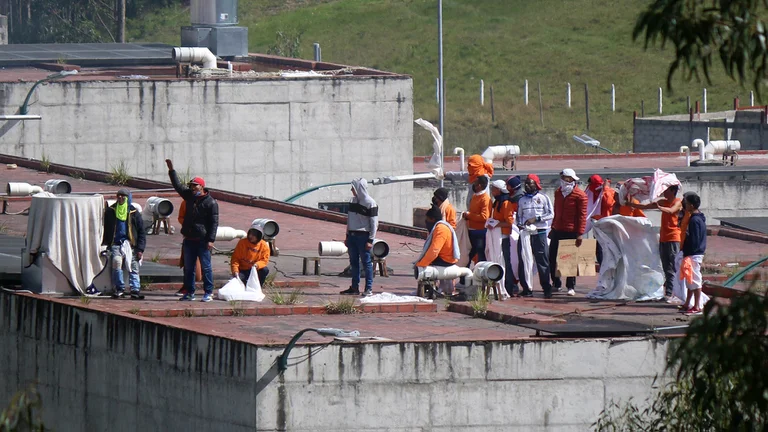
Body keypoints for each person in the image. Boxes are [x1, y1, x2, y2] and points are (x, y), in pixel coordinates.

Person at [165, 159, 219, 302]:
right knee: (189, 268)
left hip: (202, 240)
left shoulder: (210, 202)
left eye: (195, 186)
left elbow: (214, 222)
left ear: (201, 187)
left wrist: (211, 240)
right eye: (191, 186)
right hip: (189, 238)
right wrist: (171, 170)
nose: (192, 188)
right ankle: (189, 292)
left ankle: (208, 292)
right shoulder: (189, 197)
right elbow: (178, 186)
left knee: (206, 267)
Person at [629, 185, 682, 298]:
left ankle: (672, 292)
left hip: (673, 238)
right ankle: (668, 291)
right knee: (665, 266)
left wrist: (660, 207)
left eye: (667, 190)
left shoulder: (678, 202)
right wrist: (630, 204)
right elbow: (645, 206)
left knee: (673, 266)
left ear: (673, 191)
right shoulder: (663, 202)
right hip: (663, 238)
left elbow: (671, 210)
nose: (664, 192)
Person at [95, 188, 146, 299]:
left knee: (134, 266)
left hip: (131, 245)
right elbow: (105, 228)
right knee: (116, 263)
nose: (120, 198)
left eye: (123, 196)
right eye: (118, 195)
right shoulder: (111, 211)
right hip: (116, 244)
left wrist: (140, 249)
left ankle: (135, 289)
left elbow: (141, 232)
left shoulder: (134, 213)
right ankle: (119, 288)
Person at [550, 168, 588, 296]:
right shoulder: (558, 193)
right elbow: (556, 211)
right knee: (553, 257)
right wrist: (552, 227)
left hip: (571, 231)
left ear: (572, 179)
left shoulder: (580, 195)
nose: (564, 180)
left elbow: (582, 216)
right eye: (563, 178)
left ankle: (570, 286)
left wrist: (580, 233)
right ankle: (556, 283)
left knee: (569, 259)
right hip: (557, 229)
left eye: (566, 178)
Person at [516, 174, 554, 298]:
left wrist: (537, 219)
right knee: (525, 260)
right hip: (526, 233)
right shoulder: (522, 200)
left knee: (542, 261)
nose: (527, 185)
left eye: (530, 183)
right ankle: (527, 288)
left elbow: (550, 214)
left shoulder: (543, 198)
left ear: (536, 184)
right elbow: (519, 216)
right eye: (526, 183)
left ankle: (546, 288)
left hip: (540, 232)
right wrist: (521, 225)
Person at [340, 178, 379, 297]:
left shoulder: (370, 203)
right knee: (354, 262)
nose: (351, 190)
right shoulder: (353, 201)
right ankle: (354, 287)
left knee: (366, 262)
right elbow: (349, 220)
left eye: (353, 187)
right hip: (352, 235)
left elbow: (374, 223)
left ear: (359, 188)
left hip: (363, 236)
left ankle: (368, 288)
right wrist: (347, 235)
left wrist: (371, 239)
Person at [416, 205, 460, 296]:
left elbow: (434, 250)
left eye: (427, 219)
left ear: (432, 219)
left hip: (446, 259)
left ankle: (432, 289)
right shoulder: (440, 227)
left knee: (426, 266)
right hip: (445, 257)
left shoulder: (441, 229)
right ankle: (439, 287)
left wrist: (422, 264)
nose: (426, 222)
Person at [676, 192, 706, 314]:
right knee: (690, 279)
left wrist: (688, 251)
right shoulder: (697, 218)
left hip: (694, 253)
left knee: (695, 280)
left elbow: (695, 239)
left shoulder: (694, 221)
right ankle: (688, 303)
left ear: (692, 205)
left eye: (687, 203)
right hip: (692, 253)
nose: (685, 205)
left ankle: (697, 306)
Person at [489, 179, 518, 296]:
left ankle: (508, 287)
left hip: (503, 236)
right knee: (497, 261)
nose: (491, 191)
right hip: (496, 236)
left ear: (498, 190)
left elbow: (509, 222)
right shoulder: (497, 203)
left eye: (493, 189)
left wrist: (497, 224)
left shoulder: (506, 204)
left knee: (505, 262)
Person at [586, 174, 615, 265]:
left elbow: (608, 203)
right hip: (597, 224)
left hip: (608, 224)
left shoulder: (608, 191)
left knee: (608, 248)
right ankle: (602, 264)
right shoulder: (589, 191)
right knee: (599, 247)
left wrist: (605, 189)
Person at [175, 200, 203, 296]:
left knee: (205, 265)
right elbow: (180, 217)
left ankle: (208, 290)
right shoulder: (185, 202)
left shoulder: (207, 202)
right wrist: (188, 224)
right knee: (187, 264)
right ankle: (187, 287)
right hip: (189, 237)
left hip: (203, 237)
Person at [463, 175, 491, 264]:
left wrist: (469, 215)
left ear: (479, 185)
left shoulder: (485, 199)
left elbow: (484, 217)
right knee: (468, 255)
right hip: (471, 230)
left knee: (481, 255)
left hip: (480, 232)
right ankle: (465, 276)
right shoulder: (475, 196)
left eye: (475, 183)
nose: (473, 184)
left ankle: (481, 275)